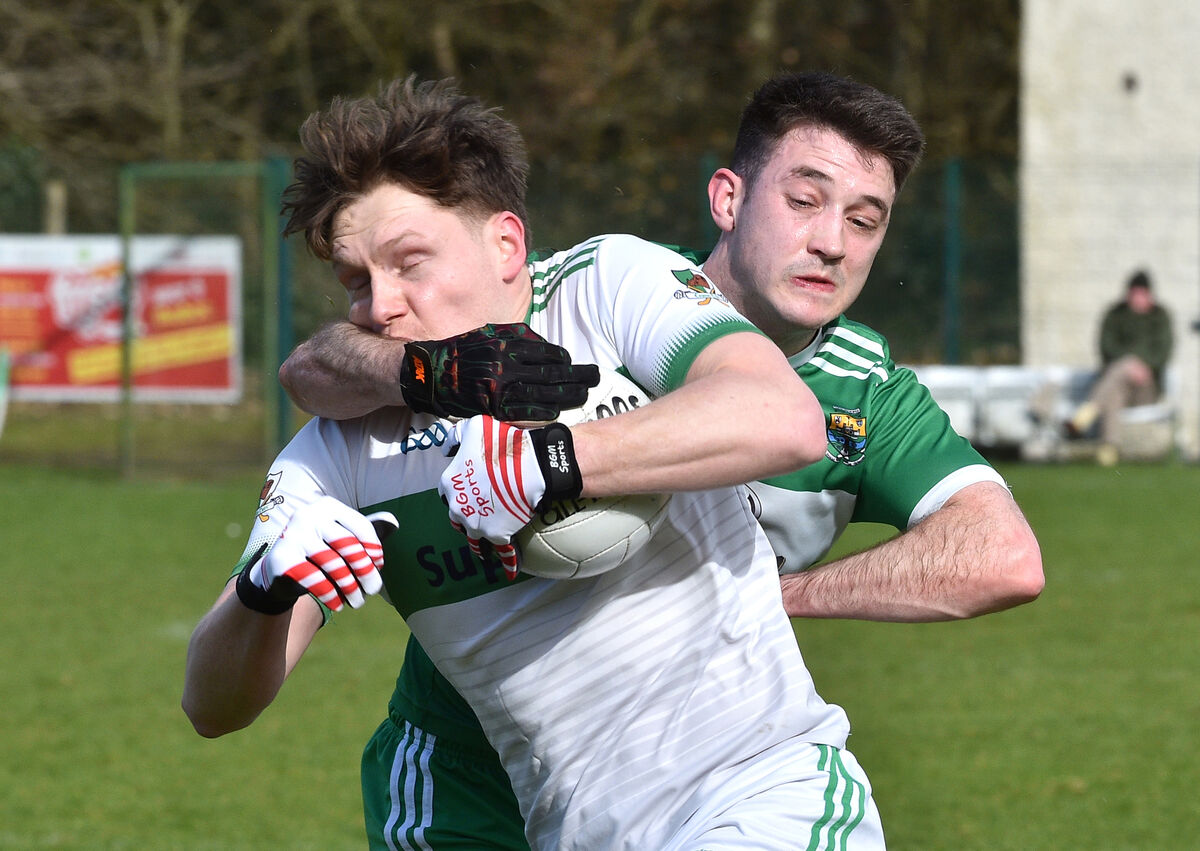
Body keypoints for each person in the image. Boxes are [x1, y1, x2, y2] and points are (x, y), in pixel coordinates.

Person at [279, 72, 1044, 849]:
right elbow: (322, 361)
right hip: (468, 764)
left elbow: (1002, 555)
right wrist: (412, 373)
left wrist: (777, 593)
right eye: (804, 200)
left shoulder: (867, 397)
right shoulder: (610, 292)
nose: (832, 242)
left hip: (686, 775)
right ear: (728, 199)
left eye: (866, 219)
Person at [1065, 269, 1173, 466]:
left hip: (1147, 386)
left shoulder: (1160, 317)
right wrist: (1129, 365)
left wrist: (1140, 366)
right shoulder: (1115, 314)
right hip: (1118, 382)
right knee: (1116, 389)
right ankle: (1109, 449)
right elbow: (1106, 347)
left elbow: (1163, 351)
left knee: (1121, 371)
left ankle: (1088, 412)